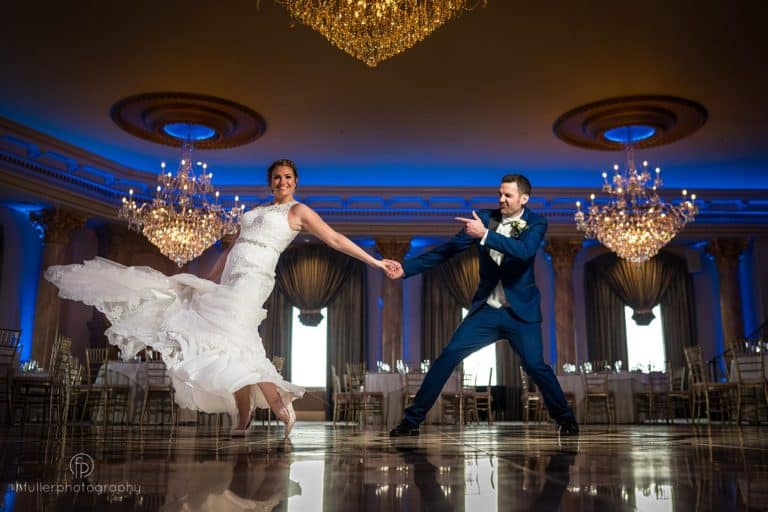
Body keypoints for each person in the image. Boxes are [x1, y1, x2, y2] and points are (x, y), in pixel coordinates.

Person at [46, 159, 392, 437]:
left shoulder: (299, 211)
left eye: (287, 177)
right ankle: (248, 414)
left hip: (255, 279)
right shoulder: (257, 210)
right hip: (230, 276)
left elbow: (334, 239)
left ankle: (271, 404)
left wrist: (376, 261)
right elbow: (230, 251)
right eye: (276, 177)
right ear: (270, 182)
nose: (281, 182)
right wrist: (208, 278)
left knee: (236, 340)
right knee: (226, 343)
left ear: (295, 182)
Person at [385, 174, 579, 436]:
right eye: (499, 193)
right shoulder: (484, 219)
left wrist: (485, 235)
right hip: (487, 311)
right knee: (448, 356)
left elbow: (524, 252)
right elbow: (447, 250)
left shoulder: (536, 223)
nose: (501, 199)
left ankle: (566, 420)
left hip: (520, 314)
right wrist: (406, 269)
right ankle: (411, 422)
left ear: (524, 199)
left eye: (508, 195)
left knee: (536, 366)